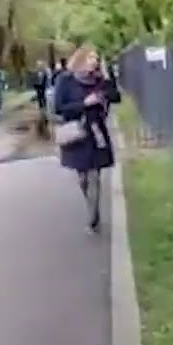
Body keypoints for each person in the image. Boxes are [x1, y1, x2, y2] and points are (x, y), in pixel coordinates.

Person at [53, 46, 122, 232]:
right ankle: (92, 206)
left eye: (97, 58)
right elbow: (59, 108)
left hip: (96, 131)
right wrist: (84, 103)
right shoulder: (66, 80)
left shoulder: (100, 80)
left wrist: (108, 79)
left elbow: (116, 97)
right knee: (83, 177)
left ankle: (93, 217)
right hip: (76, 132)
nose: (95, 61)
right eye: (91, 58)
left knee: (94, 175)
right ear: (81, 59)